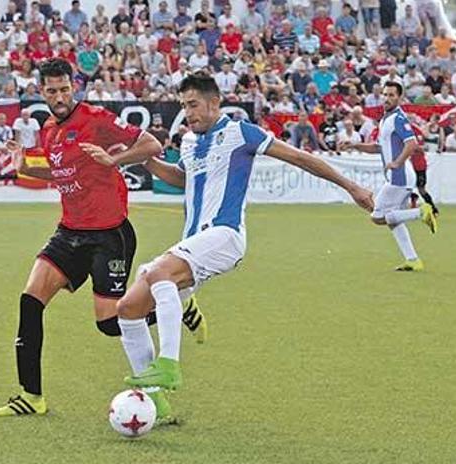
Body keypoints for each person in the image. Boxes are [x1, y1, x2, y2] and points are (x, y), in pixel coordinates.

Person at [110, 73, 374, 401]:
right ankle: (154, 400)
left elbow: (301, 158)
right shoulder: (190, 142)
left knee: (157, 272)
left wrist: (352, 187)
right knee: (129, 307)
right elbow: (182, 179)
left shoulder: (240, 132)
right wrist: (145, 159)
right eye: (183, 106)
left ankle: (169, 364)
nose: (188, 113)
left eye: (193, 105)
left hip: (225, 236)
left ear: (214, 103)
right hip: (194, 242)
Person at [0, 59, 207, 420]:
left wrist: (114, 159)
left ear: (73, 86)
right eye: (51, 91)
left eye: (63, 89)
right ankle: (32, 396)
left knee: (109, 323)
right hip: (69, 232)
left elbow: (151, 145)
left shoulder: (96, 118)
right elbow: (60, 171)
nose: (58, 97)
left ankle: (175, 305)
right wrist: (26, 165)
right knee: (30, 300)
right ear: (41, 91)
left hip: (109, 235)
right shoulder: (49, 129)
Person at [349, 82, 437, 272]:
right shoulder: (385, 120)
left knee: (378, 217)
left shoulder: (398, 118)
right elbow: (378, 147)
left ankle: (420, 212)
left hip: (401, 177)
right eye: (385, 94)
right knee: (393, 221)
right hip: (397, 178)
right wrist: (355, 146)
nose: (386, 98)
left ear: (399, 98)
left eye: (391, 95)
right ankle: (413, 260)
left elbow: (412, 143)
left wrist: (397, 162)